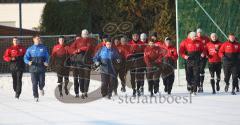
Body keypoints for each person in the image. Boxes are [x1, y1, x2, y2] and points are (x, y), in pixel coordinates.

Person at [68, 29, 96, 99]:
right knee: (81, 77)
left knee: (87, 77)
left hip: (87, 61)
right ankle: (82, 91)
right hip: (79, 62)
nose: (85, 35)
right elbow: (70, 48)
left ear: (88, 34)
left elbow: (94, 50)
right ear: (81, 34)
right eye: (83, 34)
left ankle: (85, 91)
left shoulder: (91, 41)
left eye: (86, 33)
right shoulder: (78, 41)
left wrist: (94, 59)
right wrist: (75, 51)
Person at [24, 35, 49, 102]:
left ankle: (41, 88)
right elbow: (25, 58)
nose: (38, 40)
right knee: (34, 83)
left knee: (42, 82)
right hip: (33, 69)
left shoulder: (43, 48)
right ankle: (35, 96)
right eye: (37, 39)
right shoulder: (30, 49)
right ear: (33, 40)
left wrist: (46, 62)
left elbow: (47, 57)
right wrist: (28, 62)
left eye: (39, 39)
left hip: (41, 69)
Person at [196, 28, 210, 92]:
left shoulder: (206, 38)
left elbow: (209, 46)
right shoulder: (195, 38)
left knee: (201, 70)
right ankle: (198, 85)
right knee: (197, 71)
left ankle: (201, 85)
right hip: (196, 57)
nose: (199, 33)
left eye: (200, 32)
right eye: (198, 32)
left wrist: (206, 53)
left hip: (203, 56)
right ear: (196, 33)